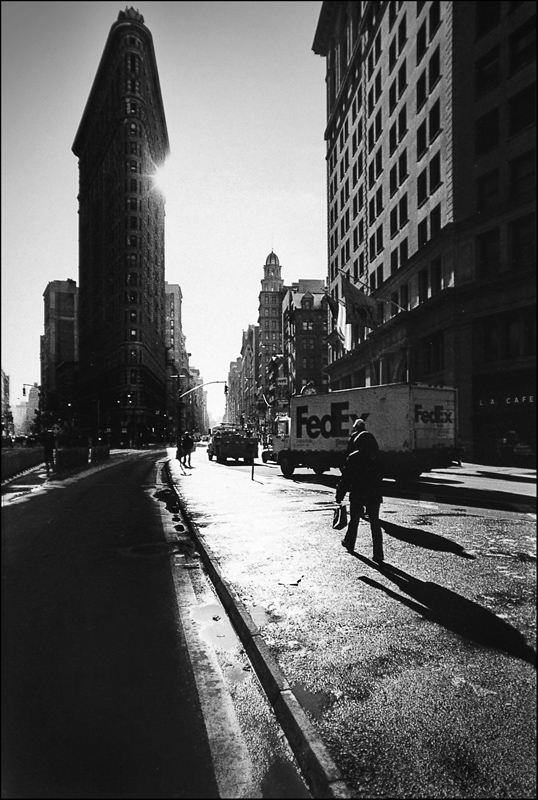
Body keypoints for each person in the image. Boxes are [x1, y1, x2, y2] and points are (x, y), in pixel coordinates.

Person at [336, 420, 384, 561]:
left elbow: (346, 479)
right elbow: (382, 475)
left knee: (355, 520)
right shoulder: (377, 458)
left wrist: (340, 494)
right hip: (374, 494)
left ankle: (350, 543)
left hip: (358, 493)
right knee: (375, 522)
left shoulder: (353, 458)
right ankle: (378, 553)